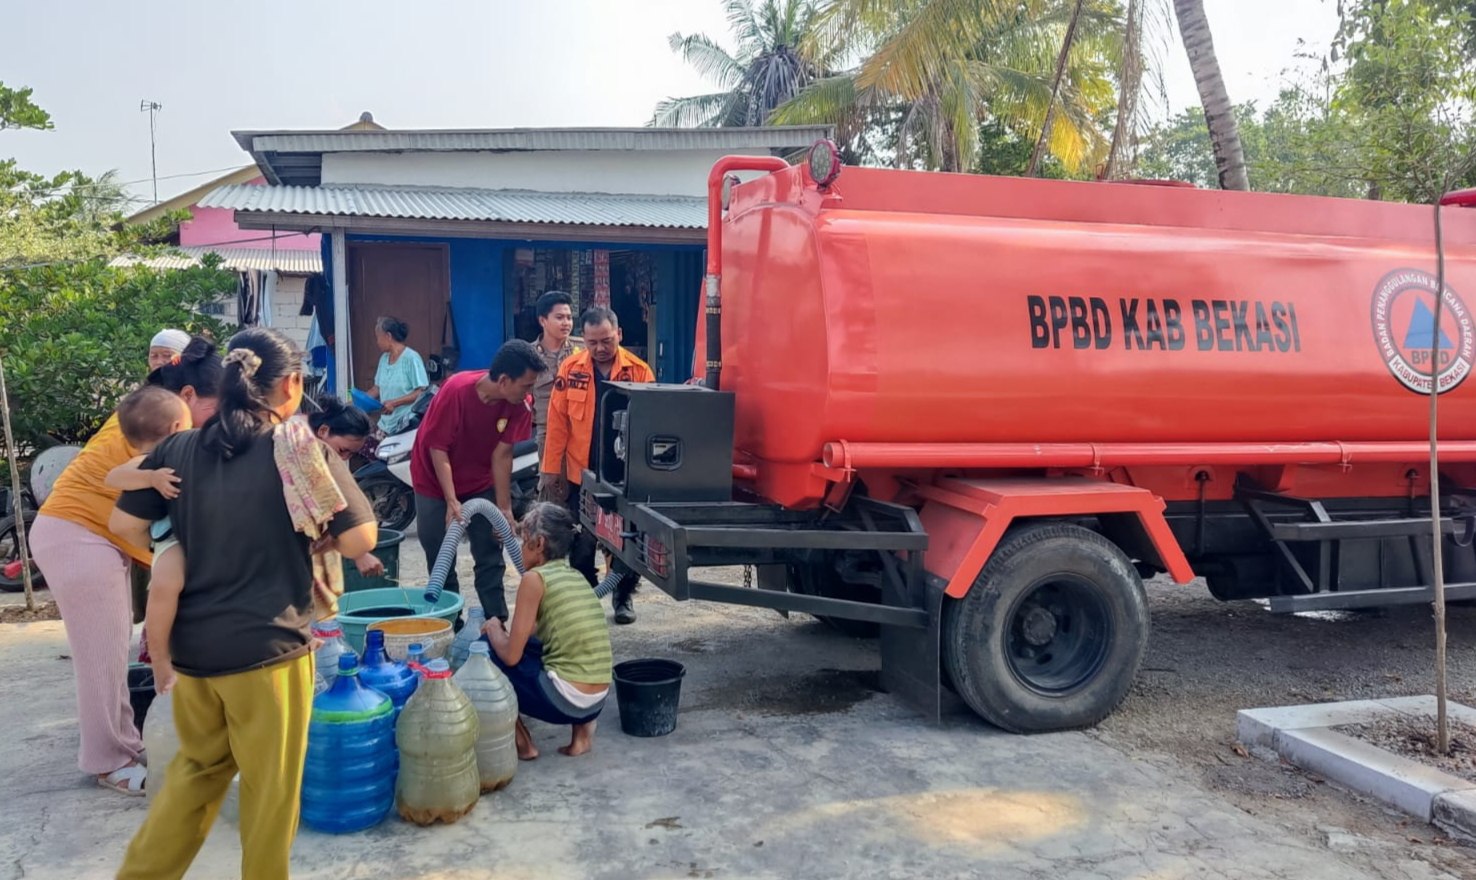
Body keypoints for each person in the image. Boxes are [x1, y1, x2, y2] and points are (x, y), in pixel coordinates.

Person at [110, 327, 376, 880]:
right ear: (292, 385)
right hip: (268, 652)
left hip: (193, 654)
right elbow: (359, 541)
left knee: (195, 775)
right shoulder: (301, 453)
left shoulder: (178, 448)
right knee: (270, 794)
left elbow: (124, 523)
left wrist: (181, 553)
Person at [28, 337, 222, 796]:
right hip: (77, 536)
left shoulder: (153, 420)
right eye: (211, 412)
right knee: (102, 659)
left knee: (111, 653)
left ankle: (125, 746)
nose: (211, 424)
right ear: (188, 398)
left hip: (87, 538)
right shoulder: (155, 434)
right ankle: (108, 762)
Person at [410, 340, 546, 623]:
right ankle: (448, 622)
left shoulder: (519, 404)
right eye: (526, 385)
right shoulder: (456, 391)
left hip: (480, 479)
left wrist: (504, 509)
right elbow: (438, 449)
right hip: (434, 480)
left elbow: (502, 454)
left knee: (490, 552)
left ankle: (495, 621)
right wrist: (450, 500)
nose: (529, 393)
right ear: (505, 380)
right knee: (440, 554)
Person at [541, 307, 653, 624]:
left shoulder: (640, 371)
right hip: (580, 473)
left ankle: (622, 598)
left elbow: (649, 425)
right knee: (579, 539)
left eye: (606, 340)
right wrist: (552, 470)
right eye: (592, 342)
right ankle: (586, 599)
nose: (599, 348)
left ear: (619, 334)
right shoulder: (570, 369)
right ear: (584, 340)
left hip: (623, 476)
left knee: (625, 540)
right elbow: (557, 423)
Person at [484, 502, 611, 760]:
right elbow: (544, 632)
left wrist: (493, 628)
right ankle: (581, 739)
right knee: (558, 650)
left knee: (483, 652)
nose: (520, 549)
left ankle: (523, 744)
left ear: (539, 543)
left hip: (566, 702)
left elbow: (510, 657)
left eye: (524, 542)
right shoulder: (575, 576)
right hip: (596, 702)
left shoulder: (534, 579)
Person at [102, 387, 194, 695]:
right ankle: (159, 661)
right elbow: (112, 477)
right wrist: (151, 477)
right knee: (164, 591)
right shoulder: (150, 459)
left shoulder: (175, 455)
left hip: (181, 536)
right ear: (176, 428)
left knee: (165, 593)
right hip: (170, 540)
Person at [307, 394, 385, 578]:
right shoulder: (304, 452)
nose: (342, 459)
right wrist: (359, 552)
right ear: (323, 431)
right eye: (342, 450)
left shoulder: (319, 454)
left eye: (350, 455)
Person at [531, 291, 577, 456]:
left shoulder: (583, 351)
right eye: (559, 318)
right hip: (547, 434)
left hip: (580, 433)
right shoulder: (529, 356)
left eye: (569, 317)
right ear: (543, 320)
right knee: (550, 481)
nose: (566, 323)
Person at [366, 316, 429, 436]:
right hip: (385, 424)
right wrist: (360, 401)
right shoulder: (384, 359)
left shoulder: (411, 358)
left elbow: (421, 392)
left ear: (388, 336)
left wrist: (394, 403)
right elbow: (377, 388)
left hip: (406, 424)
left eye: (378, 337)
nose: (377, 342)